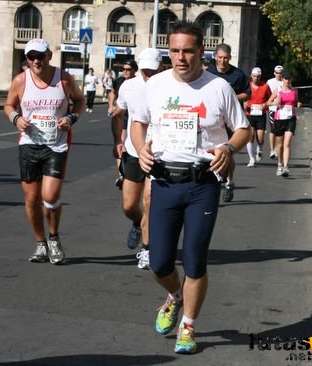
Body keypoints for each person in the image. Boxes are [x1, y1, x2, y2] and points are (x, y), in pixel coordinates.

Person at [131, 21, 251, 354]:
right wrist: (141, 148)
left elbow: (243, 130)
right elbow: (138, 122)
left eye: (188, 51)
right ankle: (174, 296)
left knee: (196, 261)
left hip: (203, 184)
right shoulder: (154, 85)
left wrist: (228, 148)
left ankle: (188, 326)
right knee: (159, 263)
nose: (181, 58)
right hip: (165, 180)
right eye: (175, 51)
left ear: (201, 52)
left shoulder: (218, 88)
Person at [3, 38, 85, 264]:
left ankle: (54, 237)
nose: (36, 61)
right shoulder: (20, 81)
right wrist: (16, 118)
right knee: (31, 199)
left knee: (50, 197)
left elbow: (79, 101)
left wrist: (71, 117)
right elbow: (8, 105)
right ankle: (41, 244)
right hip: (29, 144)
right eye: (31, 57)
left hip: (56, 145)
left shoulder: (64, 79)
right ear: (27, 59)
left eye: (40, 56)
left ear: (49, 55)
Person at [112, 48, 162, 269]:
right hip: (133, 152)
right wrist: (118, 140)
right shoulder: (129, 86)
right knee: (130, 205)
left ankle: (147, 249)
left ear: (161, 66)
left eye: (153, 70)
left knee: (149, 202)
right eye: (145, 70)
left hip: (157, 153)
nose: (148, 74)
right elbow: (118, 114)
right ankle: (136, 223)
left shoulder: (168, 85)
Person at [206, 43, 250, 202]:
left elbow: (247, 94)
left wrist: (230, 98)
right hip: (213, 120)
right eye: (220, 58)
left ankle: (230, 183)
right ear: (215, 57)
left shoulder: (238, 75)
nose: (223, 61)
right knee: (211, 152)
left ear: (230, 58)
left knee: (227, 152)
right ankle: (213, 183)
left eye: (225, 58)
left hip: (231, 120)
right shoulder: (208, 73)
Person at [109, 60, 138, 189]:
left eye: (128, 69)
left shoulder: (138, 83)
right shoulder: (119, 81)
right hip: (120, 116)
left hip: (130, 118)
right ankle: (121, 173)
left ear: (134, 70)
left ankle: (129, 170)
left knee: (127, 144)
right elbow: (113, 93)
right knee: (119, 144)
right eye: (124, 69)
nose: (125, 71)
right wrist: (111, 106)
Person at [267, 70, 300, 177]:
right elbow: (268, 102)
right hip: (279, 118)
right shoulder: (278, 90)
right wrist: (274, 103)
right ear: (283, 79)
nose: (287, 81)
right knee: (280, 145)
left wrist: (298, 103)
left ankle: (286, 167)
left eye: (289, 79)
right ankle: (280, 164)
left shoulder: (295, 90)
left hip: (291, 118)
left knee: (287, 143)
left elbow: (296, 102)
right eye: (285, 78)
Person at [243, 67, 271, 167]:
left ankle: (260, 148)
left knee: (260, 138)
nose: (256, 78)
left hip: (260, 114)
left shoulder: (265, 86)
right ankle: (251, 159)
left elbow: (270, 98)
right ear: (251, 76)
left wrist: (265, 104)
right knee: (250, 137)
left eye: (258, 77)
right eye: (254, 76)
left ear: (260, 77)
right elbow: (243, 96)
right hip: (250, 114)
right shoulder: (248, 86)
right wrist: (245, 103)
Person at [266, 65, 284, 159]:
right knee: (273, 129)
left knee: (280, 131)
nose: (279, 75)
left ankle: (278, 149)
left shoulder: (285, 82)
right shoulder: (270, 82)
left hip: (283, 110)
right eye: (277, 73)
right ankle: (272, 150)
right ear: (274, 73)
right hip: (273, 109)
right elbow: (266, 95)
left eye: (280, 73)